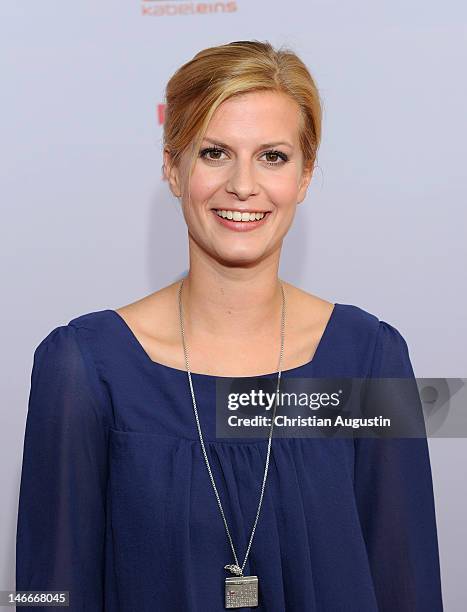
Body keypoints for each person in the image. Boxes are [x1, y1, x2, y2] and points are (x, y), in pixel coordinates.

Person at [16, 40, 443, 611]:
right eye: (215, 152)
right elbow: (50, 594)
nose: (243, 184)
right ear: (173, 167)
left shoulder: (369, 357)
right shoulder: (84, 368)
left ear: (306, 175)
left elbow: (407, 584)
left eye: (273, 156)